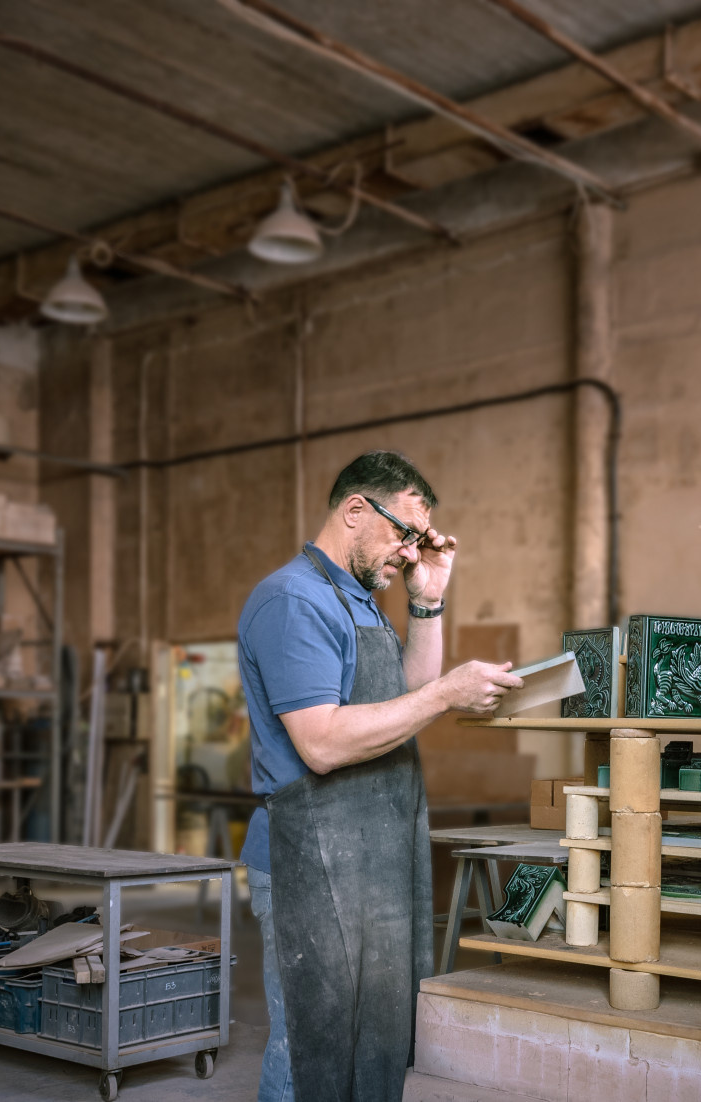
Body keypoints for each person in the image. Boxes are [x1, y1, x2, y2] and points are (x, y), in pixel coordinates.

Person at [237, 450, 524, 1102]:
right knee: (310, 1042)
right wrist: (448, 693)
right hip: (306, 857)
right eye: (403, 533)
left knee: (373, 1036)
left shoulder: (363, 602)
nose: (407, 552)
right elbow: (321, 744)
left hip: (368, 855)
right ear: (355, 511)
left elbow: (408, 696)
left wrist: (428, 601)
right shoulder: (294, 600)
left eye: (419, 541)